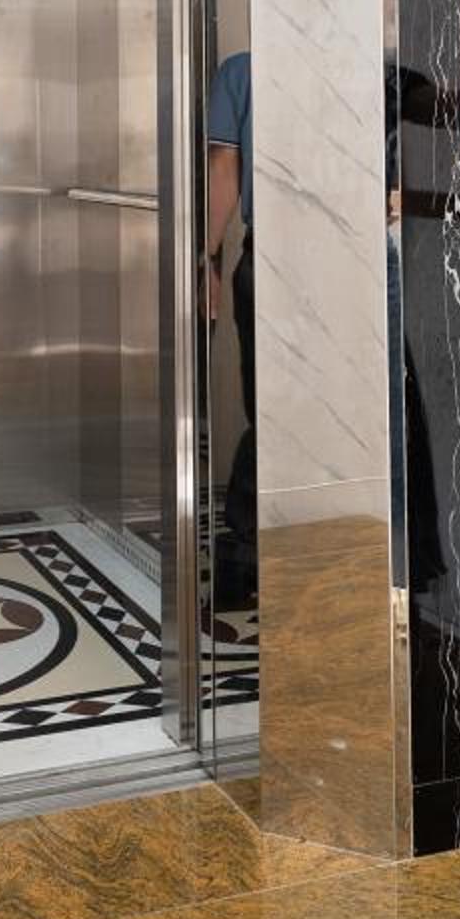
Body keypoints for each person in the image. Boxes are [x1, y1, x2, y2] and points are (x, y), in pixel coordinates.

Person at [203, 51, 258, 606]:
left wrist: (211, 259)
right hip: (274, 259)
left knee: (267, 411)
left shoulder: (240, 73)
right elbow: (223, 169)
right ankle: (244, 553)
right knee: (270, 412)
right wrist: (209, 260)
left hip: (275, 258)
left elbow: (224, 169)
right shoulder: (240, 72)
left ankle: (245, 555)